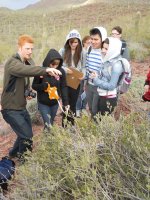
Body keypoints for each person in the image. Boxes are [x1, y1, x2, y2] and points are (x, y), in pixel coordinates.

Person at [0, 35, 61, 161]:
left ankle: (12, 153)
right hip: (10, 108)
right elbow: (25, 70)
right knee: (27, 135)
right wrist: (46, 70)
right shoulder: (13, 62)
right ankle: (24, 160)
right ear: (20, 47)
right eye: (27, 48)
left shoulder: (24, 62)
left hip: (20, 106)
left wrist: (27, 92)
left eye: (32, 49)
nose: (30, 51)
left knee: (24, 133)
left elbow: (21, 81)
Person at [32, 49, 69, 131]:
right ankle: (48, 140)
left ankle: (47, 141)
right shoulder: (41, 70)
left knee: (50, 124)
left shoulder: (61, 71)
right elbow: (34, 86)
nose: (54, 67)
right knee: (48, 124)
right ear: (48, 61)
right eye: (52, 64)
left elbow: (63, 87)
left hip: (55, 103)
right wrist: (43, 86)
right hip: (43, 103)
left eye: (57, 64)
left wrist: (66, 102)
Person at [59, 29, 86, 126]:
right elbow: (58, 65)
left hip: (76, 81)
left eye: (76, 42)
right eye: (71, 42)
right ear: (68, 42)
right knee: (66, 103)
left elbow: (84, 66)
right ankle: (64, 125)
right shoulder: (62, 51)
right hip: (65, 81)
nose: (74, 44)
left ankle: (72, 125)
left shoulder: (83, 52)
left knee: (73, 104)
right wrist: (65, 69)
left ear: (79, 41)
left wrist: (83, 75)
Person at [91, 37, 124, 116]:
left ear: (113, 49)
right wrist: (97, 76)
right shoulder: (106, 60)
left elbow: (111, 86)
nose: (103, 50)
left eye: (106, 49)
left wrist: (96, 80)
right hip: (102, 95)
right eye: (103, 47)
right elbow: (104, 77)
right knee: (98, 119)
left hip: (109, 98)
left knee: (104, 122)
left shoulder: (116, 65)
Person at [85, 27, 107, 120]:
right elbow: (86, 65)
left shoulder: (105, 52)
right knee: (90, 108)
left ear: (103, 39)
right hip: (89, 85)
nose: (93, 42)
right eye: (92, 39)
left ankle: (97, 129)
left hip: (99, 86)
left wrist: (98, 75)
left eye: (96, 39)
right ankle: (94, 128)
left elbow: (108, 70)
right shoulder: (89, 49)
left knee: (96, 109)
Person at [76, 35, 91, 117]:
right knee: (79, 92)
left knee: (87, 92)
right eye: (88, 43)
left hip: (90, 76)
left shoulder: (92, 51)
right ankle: (78, 109)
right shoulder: (81, 52)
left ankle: (83, 108)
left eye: (91, 43)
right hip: (81, 75)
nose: (89, 44)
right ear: (84, 43)